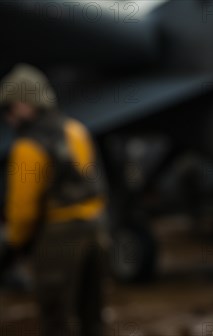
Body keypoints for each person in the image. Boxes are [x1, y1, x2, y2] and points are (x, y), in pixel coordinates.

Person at [0, 63, 108, 336]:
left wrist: (14, 245)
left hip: (58, 239)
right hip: (95, 232)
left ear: (25, 105)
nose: (8, 117)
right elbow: (96, 183)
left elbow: (23, 211)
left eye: (9, 108)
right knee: (92, 320)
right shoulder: (76, 130)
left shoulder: (28, 146)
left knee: (56, 321)